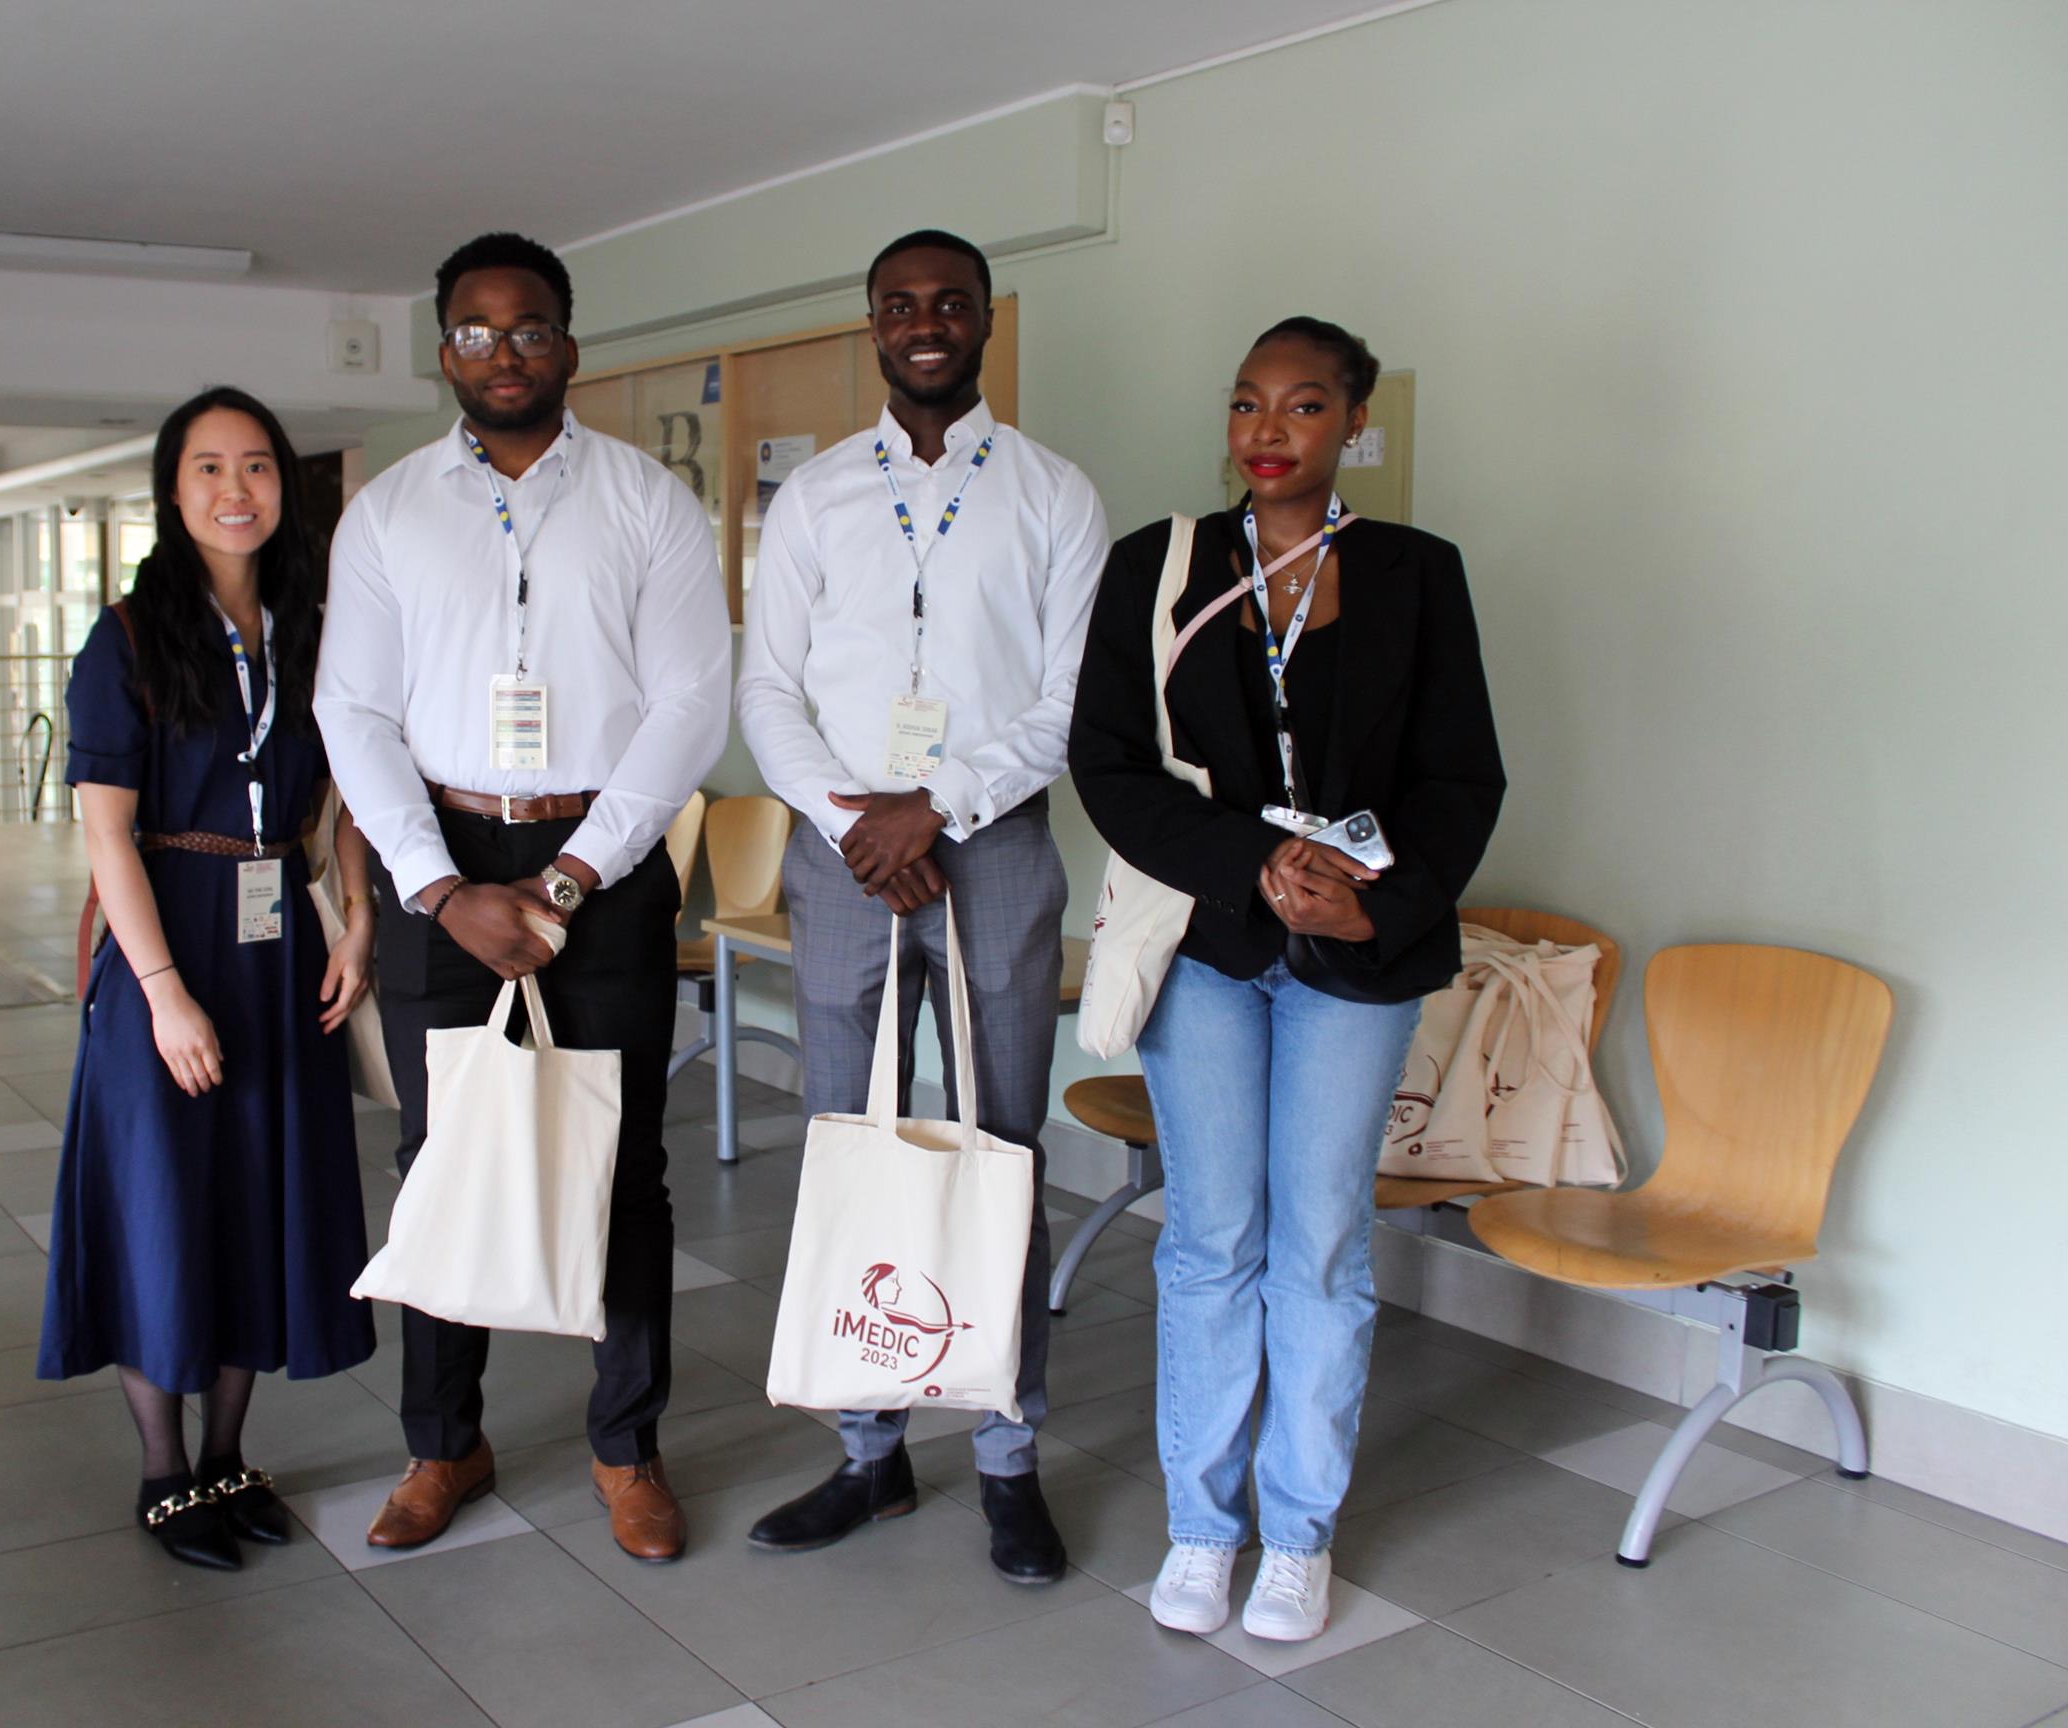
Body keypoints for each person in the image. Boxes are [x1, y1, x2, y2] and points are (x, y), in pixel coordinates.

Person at [1070, 318, 1503, 1639]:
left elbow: (1460, 776)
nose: (1269, 430)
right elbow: (1107, 762)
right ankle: (1203, 1529)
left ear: (1353, 422)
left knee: (1318, 1248)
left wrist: (1377, 908)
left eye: (1304, 405)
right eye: (1248, 403)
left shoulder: (1417, 573)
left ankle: (1298, 1534)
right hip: (1210, 945)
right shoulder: (1158, 564)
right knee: (1213, 1242)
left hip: (1356, 960)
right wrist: (1252, 865)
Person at [316, 231, 730, 1564]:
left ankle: (628, 1448)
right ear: (444, 350)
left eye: (531, 327)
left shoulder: (647, 501)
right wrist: (440, 888)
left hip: (601, 864)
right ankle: (444, 1443)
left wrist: (566, 876)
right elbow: (353, 711)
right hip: (442, 858)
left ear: (570, 344)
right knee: (443, 1158)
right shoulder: (388, 514)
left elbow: (691, 702)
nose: (505, 352)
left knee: (626, 1164)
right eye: (477, 331)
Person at [736, 230, 1107, 1584]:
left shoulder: (1056, 495)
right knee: (853, 1145)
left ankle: (1008, 1457)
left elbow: (1069, 703)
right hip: (844, 856)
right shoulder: (816, 495)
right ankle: (868, 1452)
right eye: (901, 305)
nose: (926, 322)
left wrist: (934, 808)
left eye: (950, 302)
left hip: (992, 850)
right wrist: (856, 820)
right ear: (875, 325)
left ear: (987, 319)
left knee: (1001, 1151)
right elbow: (768, 686)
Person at [40, 385, 380, 1572]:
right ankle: (163, 1472)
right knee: (162, 1206)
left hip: (279, 942)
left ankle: (230, 1458)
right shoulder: (128, 638)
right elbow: (105, 834)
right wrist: (162, 993)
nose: (237, 490)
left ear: (286, 485)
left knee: (257, 1200)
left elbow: (351, 784)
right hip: (169, 940)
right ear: (172, 491)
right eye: (209, 468)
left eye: (258, 467)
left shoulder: (312, 627)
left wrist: (356, 917)